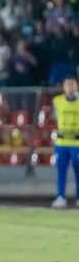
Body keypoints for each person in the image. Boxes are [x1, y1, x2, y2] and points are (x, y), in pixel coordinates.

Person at [51, 76, 79, 208]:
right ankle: (60, 196)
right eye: (67, 85)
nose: (69, 88)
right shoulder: (57, 101)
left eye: (72, 85)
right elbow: (54, 117)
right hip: (61, 142)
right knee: (61, 171)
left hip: (77, 142)